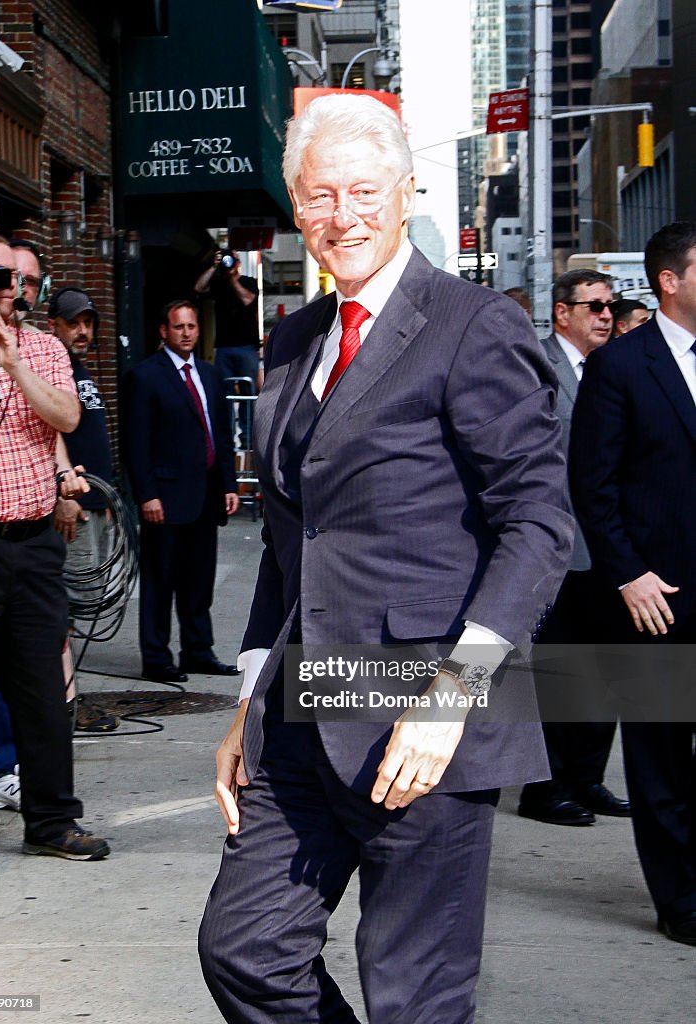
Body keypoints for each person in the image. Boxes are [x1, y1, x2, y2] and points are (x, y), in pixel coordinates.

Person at [198, 93, 574, 1023]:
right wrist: (249, 699)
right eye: (320, 195)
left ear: (405, 195)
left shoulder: (470, 323)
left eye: (364, 191)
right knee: (245, 951)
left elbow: (538, 523)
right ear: (296, 206)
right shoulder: (292, 340)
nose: (344, 215)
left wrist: (453, 700)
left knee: (413, 994)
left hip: (424, 714)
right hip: (301, 707)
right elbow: (296, 541)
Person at [0, 233, 110, 880]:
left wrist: (14, 364)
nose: (5, 289)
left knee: (42, 688)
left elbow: (67, 418)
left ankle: (52, 820)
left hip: (33, 541)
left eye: (15, 279)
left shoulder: (44, 348)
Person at [570, 220, 696, 947]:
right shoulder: (619, 367)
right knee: (658, 758)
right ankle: (677, 897)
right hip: (653, 601)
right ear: (669, 281)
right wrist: (627, 575)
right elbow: (591, 486)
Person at [518, 270, 630, 826]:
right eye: (594, 307)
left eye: (611, 306)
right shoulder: (536, 364)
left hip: (611, 550)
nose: (606, 315)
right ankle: (547, 786)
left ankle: (588, 779)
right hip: (554, 550)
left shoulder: (616, 369)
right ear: (562, 312)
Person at [123, 300, 240, 683]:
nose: (187, 332)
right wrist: (146, 495)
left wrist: (228, 485)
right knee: (161, 581)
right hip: (165, 497)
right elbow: (135, 443)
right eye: (179, 327)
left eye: (192, 326)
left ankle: (198, 650)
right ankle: (156, 657)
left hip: (205, 495)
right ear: (164, 331)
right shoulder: (145, 376)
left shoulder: (208, 374)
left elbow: (221, 435)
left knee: (198, 579)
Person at [48, 287, 119, 733]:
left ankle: (69, 697)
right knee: (65, 607)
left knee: (78, 607)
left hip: (96, 503)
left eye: (87, 323)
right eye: (73, 322)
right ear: (53, 322)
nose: (82, 331)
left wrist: (108, 498)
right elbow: (49, 440)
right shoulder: (52, 373)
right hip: (70, 506)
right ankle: (64, 703)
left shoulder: (82, 371)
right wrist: (64, 497)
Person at [194, 249, 260, 447]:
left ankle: (247, 439)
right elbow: (199, 287)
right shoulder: (218, 283)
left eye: (232, 260)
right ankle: (227, 439)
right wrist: (215, 266)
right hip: (223, 346)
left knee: (248, 393)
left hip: (246, 346)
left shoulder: (248, 281)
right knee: (225, 393)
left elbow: (247, 299)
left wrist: (232, 278)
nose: (229, 263)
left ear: (238, 263)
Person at [9, 239, 50, 331]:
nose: (22, 289)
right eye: (15, 277)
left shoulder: (46, 344)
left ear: (41, 292)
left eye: (31, 281)